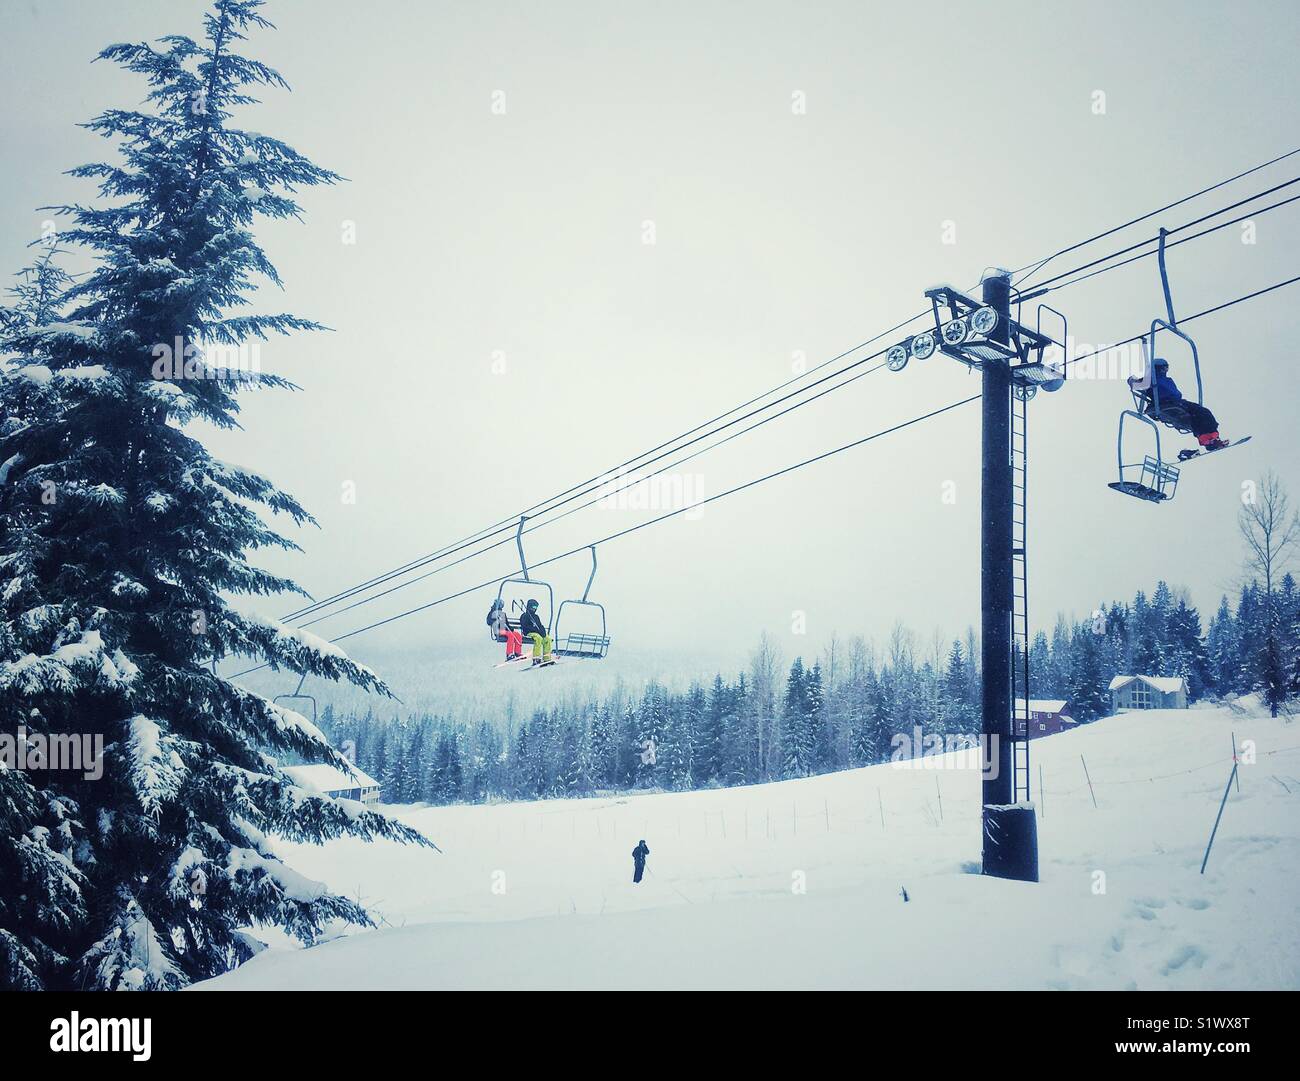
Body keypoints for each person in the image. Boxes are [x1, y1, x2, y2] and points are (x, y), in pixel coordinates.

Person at [1129, 357, 1226, 452]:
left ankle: (1210, 438)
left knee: (1199, 414)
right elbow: (1136, 384)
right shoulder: (1150, 379)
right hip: (1165, 403)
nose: (1165, 370)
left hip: (1176, 402)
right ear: (1157, 368)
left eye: (1166, 368)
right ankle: (1209, 439)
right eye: (1164, 368)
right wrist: (1132, 380)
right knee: (1201, 412)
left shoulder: (1166, 379)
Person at [519, 598, 554, 666]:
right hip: (529, 633)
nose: (535, 609)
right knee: (538, 638)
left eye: (536, 607)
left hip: (537, 633)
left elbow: (540, 625)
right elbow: (525, 627)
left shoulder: (536, 617)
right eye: (533, 607)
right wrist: (535, 629)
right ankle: (536, 658)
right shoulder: (525, 616)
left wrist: (543, 631)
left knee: (548, 639)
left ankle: (547, 658)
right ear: (529, 606)